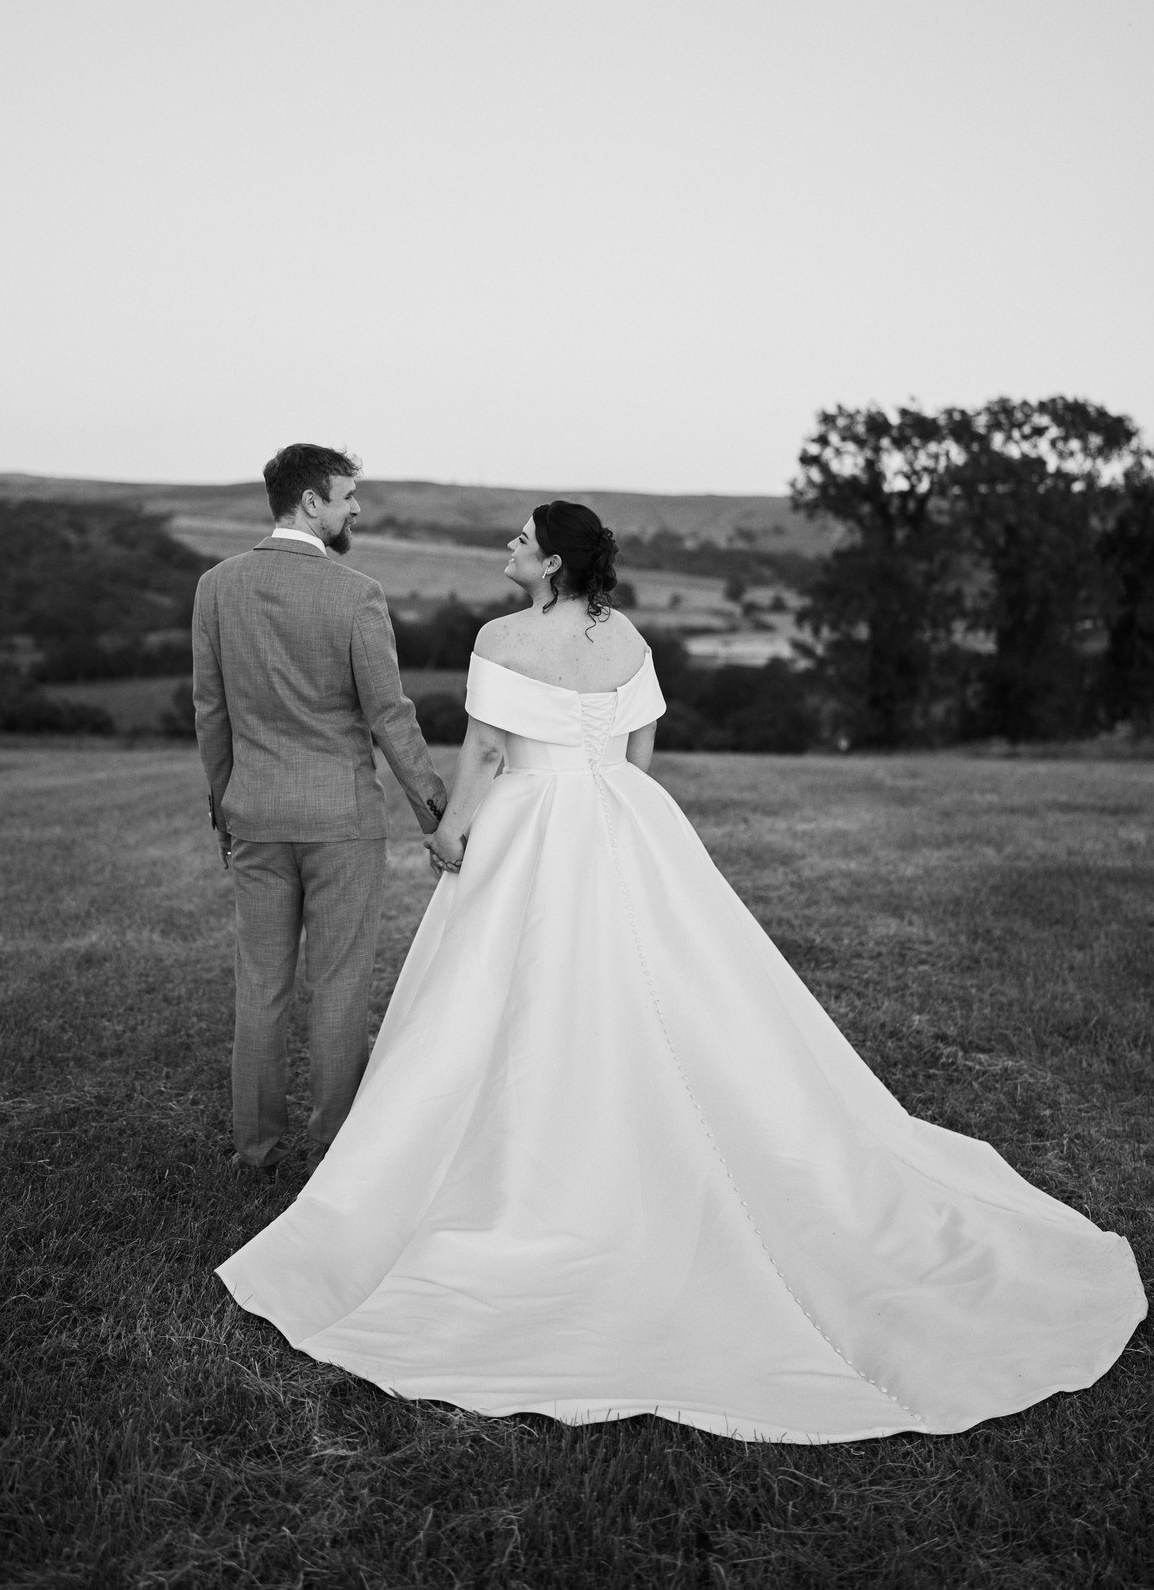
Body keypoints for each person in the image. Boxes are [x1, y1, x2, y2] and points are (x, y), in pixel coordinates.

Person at [215, 500, 1146, 1440]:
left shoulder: (502, 636)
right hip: (623, 817)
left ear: (550, 563)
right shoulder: (627, 639)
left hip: (533, 823)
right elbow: (640, 753)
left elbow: (491, 750)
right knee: (663, 986)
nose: (509, 548)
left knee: (507, 995)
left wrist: (455, 829)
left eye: (521, 541)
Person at [192, 442, 446, 1176]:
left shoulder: (216, 587)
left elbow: (212, 714)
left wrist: (225, 809)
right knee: (339, 986)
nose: (355, 509)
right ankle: (338, 1147)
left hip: (255, 817)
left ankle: (256, 1149)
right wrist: (436, 811)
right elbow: (390, 717)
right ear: (311, 503)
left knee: (261, 987)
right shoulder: (355, 593)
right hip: (341, 823)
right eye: (346, 497)